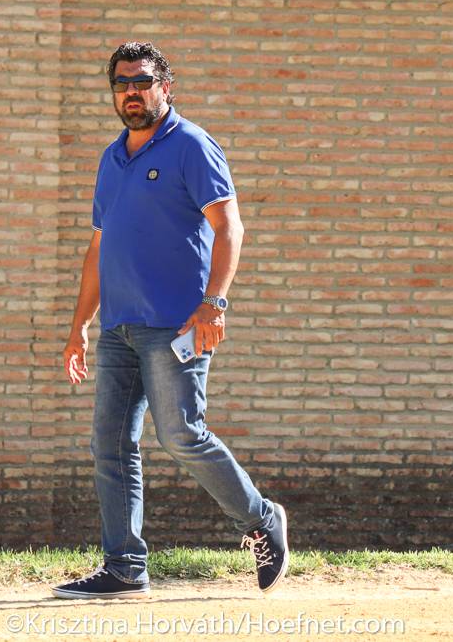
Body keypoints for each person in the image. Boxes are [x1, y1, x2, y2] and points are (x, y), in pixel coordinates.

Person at [53, 42, 288, 599]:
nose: (131, 93)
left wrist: (215, 303)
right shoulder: (112, 158)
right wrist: (79, 325)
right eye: (121, 84)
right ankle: (124, 568)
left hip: (175, 325)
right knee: (110, 446)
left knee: (182, 434)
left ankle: (261, 518)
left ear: (165, 86)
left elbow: (230, 227)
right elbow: (99, 247)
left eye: (142, 81)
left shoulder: (192, 145)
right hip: (118, 328)